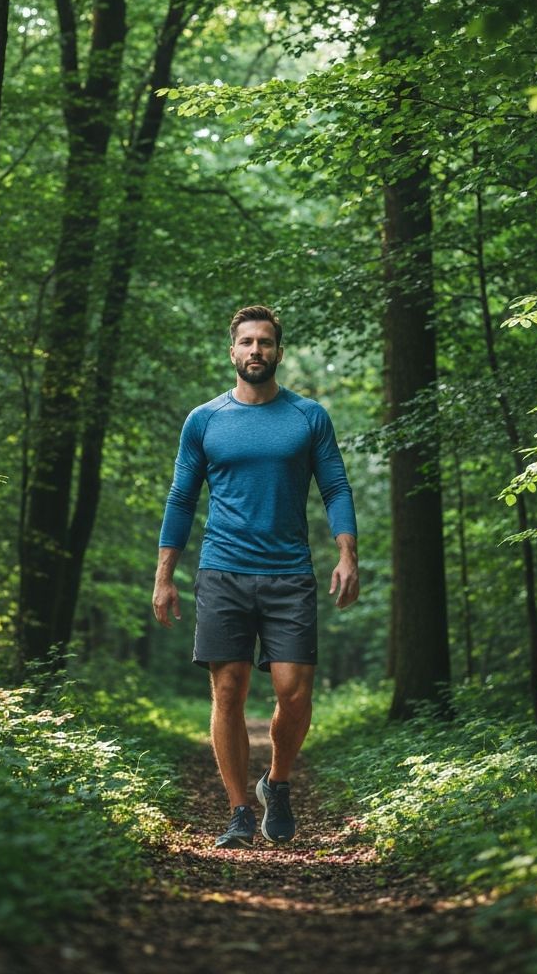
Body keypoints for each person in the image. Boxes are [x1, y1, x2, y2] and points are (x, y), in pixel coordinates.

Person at [152, 304, 359, 848]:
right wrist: (164, 575)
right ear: (232, 352)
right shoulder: (205, 420)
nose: (255, 351)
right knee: (228, 690)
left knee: (294, 691)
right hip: (222, 571)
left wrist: (346, 554)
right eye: (246, 342)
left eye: (264, 342)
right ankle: (240, 810)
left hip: (289, 572)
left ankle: (278, 782)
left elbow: (335, 488)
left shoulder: (308, 416)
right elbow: (181, 497)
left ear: (278, 352)